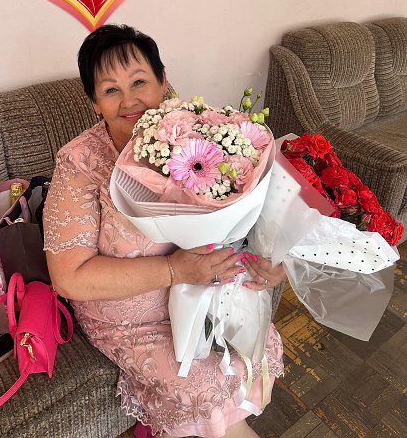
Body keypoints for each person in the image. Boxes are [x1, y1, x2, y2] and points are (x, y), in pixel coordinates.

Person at [44, 25, 286, 438]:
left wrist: (265, 258)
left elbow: (240, 216)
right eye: (111, 90)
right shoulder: (80, 164)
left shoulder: (202, 134)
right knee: (200, 380)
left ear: (163, 81)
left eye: (139, 82)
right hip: (132, 313)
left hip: (208, 288)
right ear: (94, 103)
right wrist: (175, 270)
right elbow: (69, 277)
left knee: (255, 346)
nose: (129, 100)